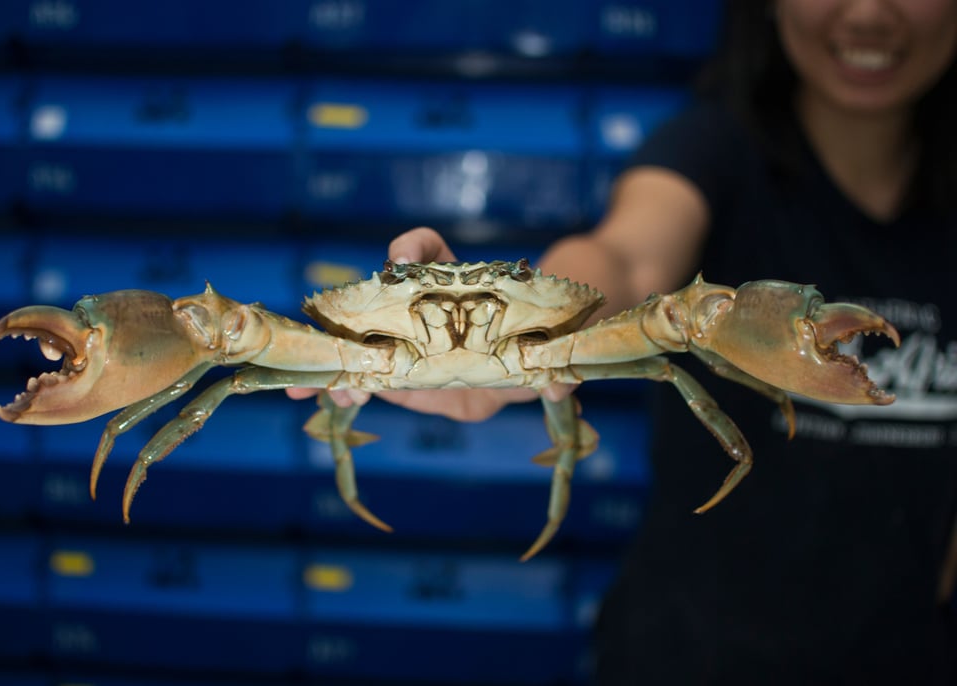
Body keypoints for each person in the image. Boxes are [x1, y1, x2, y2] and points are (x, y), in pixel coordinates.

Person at [291, 0, 957, 682]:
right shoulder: (709, 148)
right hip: (690, 653)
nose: (870, 13)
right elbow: (626, 258)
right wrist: (511, 332)